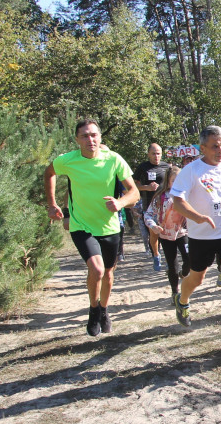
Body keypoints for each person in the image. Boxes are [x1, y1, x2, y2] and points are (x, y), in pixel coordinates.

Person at [44, 119, 139, 336]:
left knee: (108, 274)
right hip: (81, 225)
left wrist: (120, 203)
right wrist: (52, 204)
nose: (90, 139)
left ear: (100, 138)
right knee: (96, 269)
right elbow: (48, 173)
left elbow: (133, 192)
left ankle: (104, 310)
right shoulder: (68, 160)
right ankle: (93, 309)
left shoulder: (113, 159)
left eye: (94, 135)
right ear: (77, 140)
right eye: (85, 136)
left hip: (110, 226)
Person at [170, 125, 221, 345]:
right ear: (202, 148)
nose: (220, 151)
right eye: (215, 146)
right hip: (201, 235)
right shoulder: (191, 171)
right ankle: (183, 299)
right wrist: (197, 216)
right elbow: (177, 200)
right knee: (197, 278)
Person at [144, 166, 190, 304]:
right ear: (168, 181)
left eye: (179, 180)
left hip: (183, 233)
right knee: (172, 264)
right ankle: (175, 293)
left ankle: (184, 273)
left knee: (189, 259)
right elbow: (148, 214)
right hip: (165, 235)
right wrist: (153, 226)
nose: (177, 183)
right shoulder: (160, 197)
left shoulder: (187, 194)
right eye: (174, 180)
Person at [133, 143, 170, 270]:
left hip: (165, 206)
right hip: (149, 205)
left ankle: (168, 258)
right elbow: (133, 186)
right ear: (148, 154)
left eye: (158, 153)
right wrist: (146, 188)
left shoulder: (166, 166)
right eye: (153, 153)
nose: (156, 156)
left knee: (166, 233)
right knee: (153, 233)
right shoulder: (143, 167)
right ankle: (156, 254)